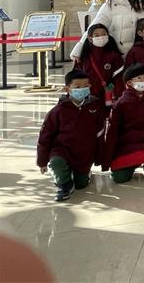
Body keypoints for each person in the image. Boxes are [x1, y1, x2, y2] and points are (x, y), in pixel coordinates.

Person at [36, 69, 105, 201]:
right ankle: (64, 185)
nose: (82, 89)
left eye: (85, 86)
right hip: (62, 150)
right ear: (67, 89)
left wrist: (100, 157)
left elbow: (100, 133)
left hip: (84, 153)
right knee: (57, 162)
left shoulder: (96, 107)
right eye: (77, 87)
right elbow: (45, 136)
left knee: (81, 185)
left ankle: (84, 174)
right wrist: (42, 161)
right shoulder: (58, 111)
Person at [71, 0, 144, 59]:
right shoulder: (110, 6)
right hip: (118, 56)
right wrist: (78, 51)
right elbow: (94, 27)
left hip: (141, 54)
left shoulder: (143, 6)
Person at [74, 23, 125, 113]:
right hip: (88, 96)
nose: (101, 37)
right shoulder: (83, 56)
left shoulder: (114, 55)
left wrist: (115, 91)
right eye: (97, 35)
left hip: (107, 96)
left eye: (104, 34)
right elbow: (75, 77)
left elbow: (119, 77)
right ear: (90, 38)